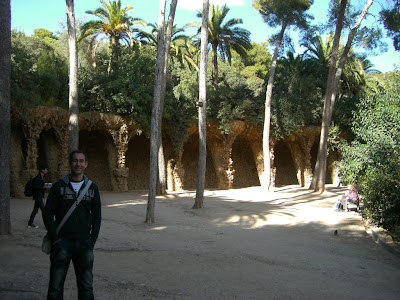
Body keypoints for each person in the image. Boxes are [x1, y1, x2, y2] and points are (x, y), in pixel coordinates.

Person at [43, 150, 101, 300]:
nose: (78, 164)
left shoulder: (92, 188)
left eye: (81, 161)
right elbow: (48, 213)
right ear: (70, 163)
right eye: (75, 160)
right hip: (62, 242)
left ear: (86, 164)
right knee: (56, 286)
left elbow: (97, 216)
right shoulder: (59, 187)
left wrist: (92, 240)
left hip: (84, 243)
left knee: (86, 287)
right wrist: (55, 239)